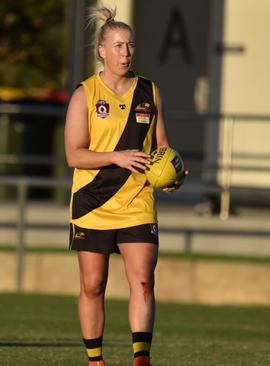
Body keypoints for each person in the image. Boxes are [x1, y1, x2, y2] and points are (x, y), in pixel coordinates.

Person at [64, 6, 186, 366]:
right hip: (92, 204)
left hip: (137, 202)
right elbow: (74, 155)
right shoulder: (85, 94)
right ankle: (95, 360)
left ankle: (141, 358)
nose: (125, 53)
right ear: (101, 50)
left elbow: (162, 147)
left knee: (144, 281)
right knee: (92, 285)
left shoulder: (150, 91)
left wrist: (171, 173)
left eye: (130, 45)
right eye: (117, 46)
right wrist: (115, 157)